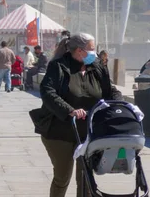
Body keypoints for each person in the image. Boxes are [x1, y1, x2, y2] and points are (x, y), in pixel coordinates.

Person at [37, 33, 122, 197]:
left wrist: (120, 105)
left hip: (88, 133)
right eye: (91, 49)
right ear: (79, 51)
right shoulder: (59, 66)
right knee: (62, 177)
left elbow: (110, 91)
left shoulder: (97, 67)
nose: (94, 53)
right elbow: (47, 92)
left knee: (86, 178)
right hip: (60, 131)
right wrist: (70, 110)